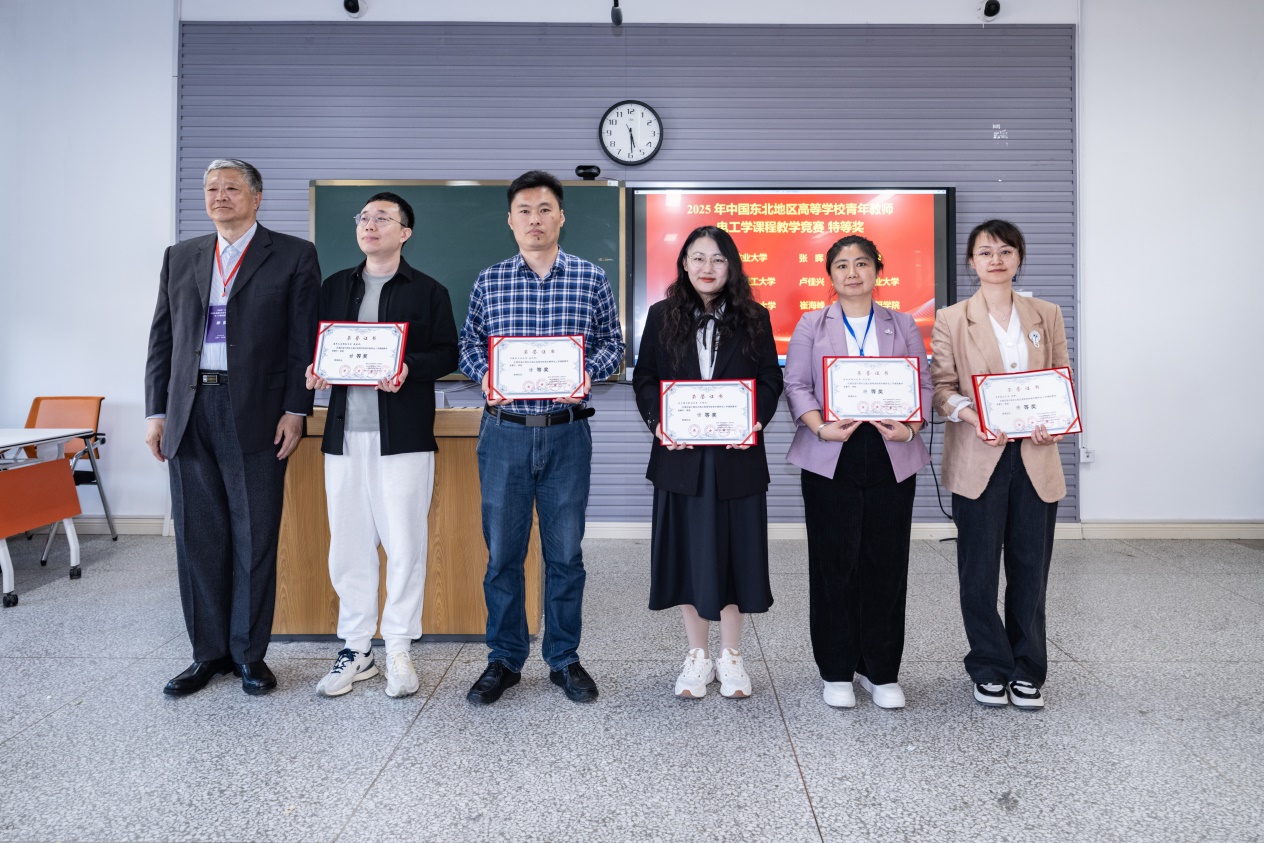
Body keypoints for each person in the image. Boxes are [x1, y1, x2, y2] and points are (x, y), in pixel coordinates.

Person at [145, 159, 319, 696]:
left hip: (258, 412)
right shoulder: (181, 256)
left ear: (256, 197)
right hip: (188, 409)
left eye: (231, 188)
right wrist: (156, 413)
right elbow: (162, 338)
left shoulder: (292, 254)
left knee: (254, 536)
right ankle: (207, 654)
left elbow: (303, 339)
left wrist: (297, 409)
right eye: (211, 189)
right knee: (198, 537)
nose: (219, 196)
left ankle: (248, 654)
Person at [457, 170, 624, 705]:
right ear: (510, 220)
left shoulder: (590, 278)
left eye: (545, 209)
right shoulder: (489, 280)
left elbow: (613, 343)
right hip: (504, 433)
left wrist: (585, 372)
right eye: (525, 211)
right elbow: (468, 345)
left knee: (565, 555)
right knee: (503, 556)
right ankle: (504, 659)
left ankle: (563, 658)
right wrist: (486, 375)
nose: (535, 219)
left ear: (561, 217)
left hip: (566, 435)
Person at [304, 192, 458, 699]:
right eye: (364, 217)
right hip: (344, 437)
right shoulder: (334, 287)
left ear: (405, 232)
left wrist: (408, 367)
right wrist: (315, 368)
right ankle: (356, 649)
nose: (369, 225)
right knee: (348, 545)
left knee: (405, 544)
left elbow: (448, 353)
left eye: (382, 218)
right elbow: (315, 347)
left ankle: (397, 646)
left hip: (403, 438)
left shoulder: (428, 291)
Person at [632, 226, 783, 699]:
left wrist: (755, 420)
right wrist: (659, 422)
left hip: (737, 457)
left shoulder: (755, 317)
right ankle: (697, 655)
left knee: (738, 556)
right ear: (684, 264)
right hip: (681, 459)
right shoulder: (661, 316)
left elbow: (770, 380)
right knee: (688, 557)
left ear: (731, 266)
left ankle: (731, 655)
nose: (707, 267)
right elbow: (645, 377)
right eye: (697, 258)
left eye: (717, 259)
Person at [783, 235, 931, 710]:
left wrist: (911, 427)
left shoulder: (902, 323)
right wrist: (819, 427)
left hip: (891, 449)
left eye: (862, 263)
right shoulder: (812, 323)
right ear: (830, 275)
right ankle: (836, 669)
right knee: (834, 564)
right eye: (842, 265)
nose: (852, 273)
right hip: (831, 450)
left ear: (877, 270)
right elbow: (796, 384)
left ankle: (880, 670)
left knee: (886, 563)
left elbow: (922, 382)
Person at [930, 219, 1070, 711]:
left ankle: (1028, 668)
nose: (996, 259)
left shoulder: (1046, 314)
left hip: (1035, 455)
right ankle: (989, 666)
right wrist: (974, 417)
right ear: (971, 261)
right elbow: (942, 388)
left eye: (1006, 251)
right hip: (978, 454)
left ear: (1019, 259)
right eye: (986, 252)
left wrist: (1056, 421)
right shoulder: (952, 318)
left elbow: (1061, 379)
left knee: (1031, 568)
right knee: (979, 569)